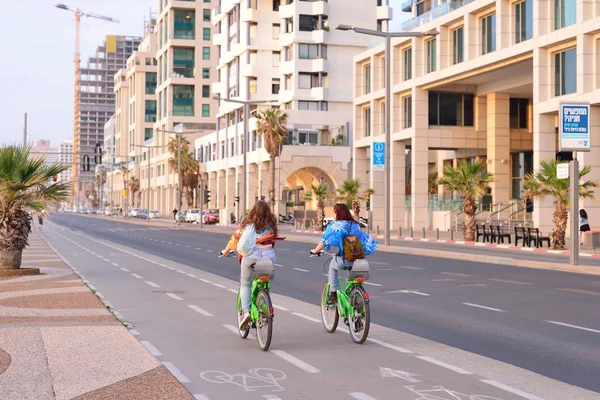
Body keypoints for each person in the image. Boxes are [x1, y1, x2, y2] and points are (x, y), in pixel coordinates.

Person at [221, 201, 280, 329]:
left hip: (251, 257)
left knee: (246, 284)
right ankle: (264, 303)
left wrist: (225, 252)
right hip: (268, 257)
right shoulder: (272, 224)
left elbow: (234, 240)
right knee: (264, 282)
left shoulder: (247, 224)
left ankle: (246, 312)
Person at [311, 203, 377, 304]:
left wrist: (315, 251)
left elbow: (325, 240)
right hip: (359, 260)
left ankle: (333, 294)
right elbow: (363, 240)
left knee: (332, 267)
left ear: (337, 213)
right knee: (355, 279)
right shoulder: (355, 225)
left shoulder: (334, 225)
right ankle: (358, 302)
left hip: (344, 260)